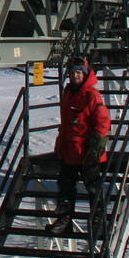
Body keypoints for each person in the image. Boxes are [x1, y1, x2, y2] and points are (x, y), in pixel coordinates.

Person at [48, 56, 111, 236]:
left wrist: (96, 147)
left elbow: (103, 121)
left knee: (92, 186)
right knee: (65, 186)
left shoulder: (91, 94)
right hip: (69, 149)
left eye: (78, 72)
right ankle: (64, 220)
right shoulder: (68, 92)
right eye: (72, 72)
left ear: (84, 74)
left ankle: (98, 221)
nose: (75, 76)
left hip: (87, 151)